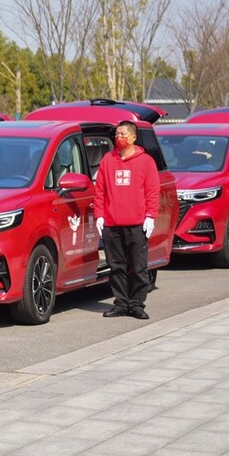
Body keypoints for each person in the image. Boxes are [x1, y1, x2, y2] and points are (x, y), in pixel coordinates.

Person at [94, 121, 160, 320]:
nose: (118, 137)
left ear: (132, 137)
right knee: (116, 267)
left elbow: (152, 191)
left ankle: (136, 304)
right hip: (112, 224)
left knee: (138, 267)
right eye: (117, 134)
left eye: (123, 134)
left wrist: (150, 216)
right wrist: (99, 216)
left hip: (137, 224)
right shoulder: (108, 160)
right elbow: (100, 190)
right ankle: (121, 303)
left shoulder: (146, 161)